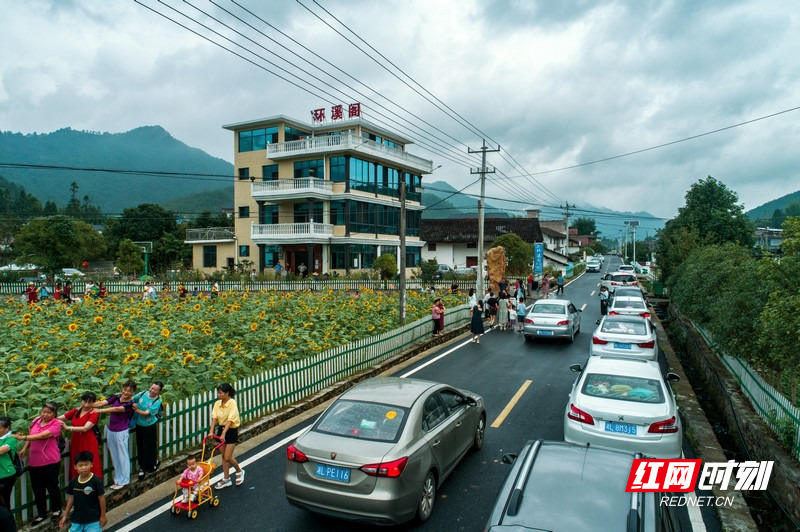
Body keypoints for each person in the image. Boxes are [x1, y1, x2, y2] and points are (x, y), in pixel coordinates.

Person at [14, 402, 63, 526]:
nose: (45, 414)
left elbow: (41, 436)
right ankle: (42, 514)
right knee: (38, 489)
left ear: (54, 414)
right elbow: (32, 434)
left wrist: (22, 438)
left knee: (52, 486)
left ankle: (57, 509)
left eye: (49, 412)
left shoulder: (56, 424)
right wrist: (25, 448)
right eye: (44, 411)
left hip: (50, 461)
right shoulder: (36, 420)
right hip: (34, 461)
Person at [93, 381, 137, 490]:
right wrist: (89, 405)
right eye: (125, 389)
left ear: (133, 392)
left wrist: (98, 411)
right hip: (111, 430)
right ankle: (118, 480)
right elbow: (104, 402)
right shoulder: (117, 396)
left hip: (121, 431)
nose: (126, 392)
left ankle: (124, 480)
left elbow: (116, 409)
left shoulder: (131, 403)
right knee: (114, 455)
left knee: (122, 456)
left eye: (129, 391)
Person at [59, 450, 107, 531]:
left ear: (91, 464)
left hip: (93, 520)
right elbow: (71, 498)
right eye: (80, 465)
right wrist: (65, 515)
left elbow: (101, 498)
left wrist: (103, 515)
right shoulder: (74, 481)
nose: (83, 468)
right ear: (75, 467)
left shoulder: (96, 481)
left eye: (86, 464)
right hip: (77, 520)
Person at [59, 392, 102, 481]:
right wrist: (42, 418)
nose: (86, 405)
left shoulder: (94, 413)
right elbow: (60, 418)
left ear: (93, 403)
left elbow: (85, 428)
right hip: (76, 441)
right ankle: (78, 484)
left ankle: (92, 485)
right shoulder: (76, 411)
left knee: (89, 462)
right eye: (84, 401)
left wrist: (68, 428)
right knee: (77, 462)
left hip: (88, 442)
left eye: (89, 402)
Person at [208, 383, 244, 489]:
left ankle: (239, 470)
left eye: (220, 393)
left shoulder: (232, 403)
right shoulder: (217, 403)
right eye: (218, 393)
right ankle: (226, 478)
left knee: (228, 457)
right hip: (221, 429)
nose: (218, 395)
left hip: (231, 430)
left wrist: (224, 434)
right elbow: (214, 417)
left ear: (227, 393)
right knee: (223, 456)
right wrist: (211, 431)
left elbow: (230, 419)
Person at [133, 381, 164, 480]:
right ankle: (143, 466)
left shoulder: (157, 401)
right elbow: (132, 398)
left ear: (159, 392)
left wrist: (136, 410)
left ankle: (149, 465)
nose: (152, 391)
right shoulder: (143, 394)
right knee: (141, 445)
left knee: (149, 446)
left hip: (149, 425)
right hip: (139, 424)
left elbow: (146, 413)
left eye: (155, 390)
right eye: (152, 388)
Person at [0, 417, 19, 511]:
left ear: (6, 428)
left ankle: (9, 524)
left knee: (4, 503)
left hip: (6, 475)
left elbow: (1, 450)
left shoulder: (12, 438)